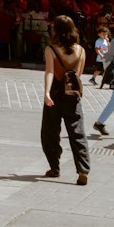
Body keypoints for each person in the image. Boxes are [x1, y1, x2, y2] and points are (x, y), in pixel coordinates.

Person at [41, 15, 91, 184]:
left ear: (57, 30)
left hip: (55, 93)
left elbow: (49, 71)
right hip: (73, 95)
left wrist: (47, 93)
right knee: (78, 133)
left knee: (50, 133)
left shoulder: (51, 49)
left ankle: (55, 168)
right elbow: (78, 75)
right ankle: (83, 169)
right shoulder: (81, 51)